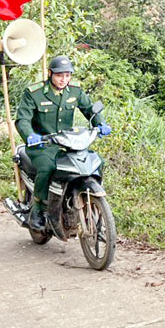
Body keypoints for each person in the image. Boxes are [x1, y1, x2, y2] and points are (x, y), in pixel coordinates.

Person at [14, 55, 111, 232]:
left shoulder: (74, 91)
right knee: (47, 168)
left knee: (97, 161)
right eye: (59, 75)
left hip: (68, 143)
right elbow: (23, 120)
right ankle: (39, 209)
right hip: (42, 145)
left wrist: (101, 124)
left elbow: (90, 109)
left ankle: (92, 202)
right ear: (50, 73)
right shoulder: (34, 93)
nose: (63, 80)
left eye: (67, 75)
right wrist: (30, 135)